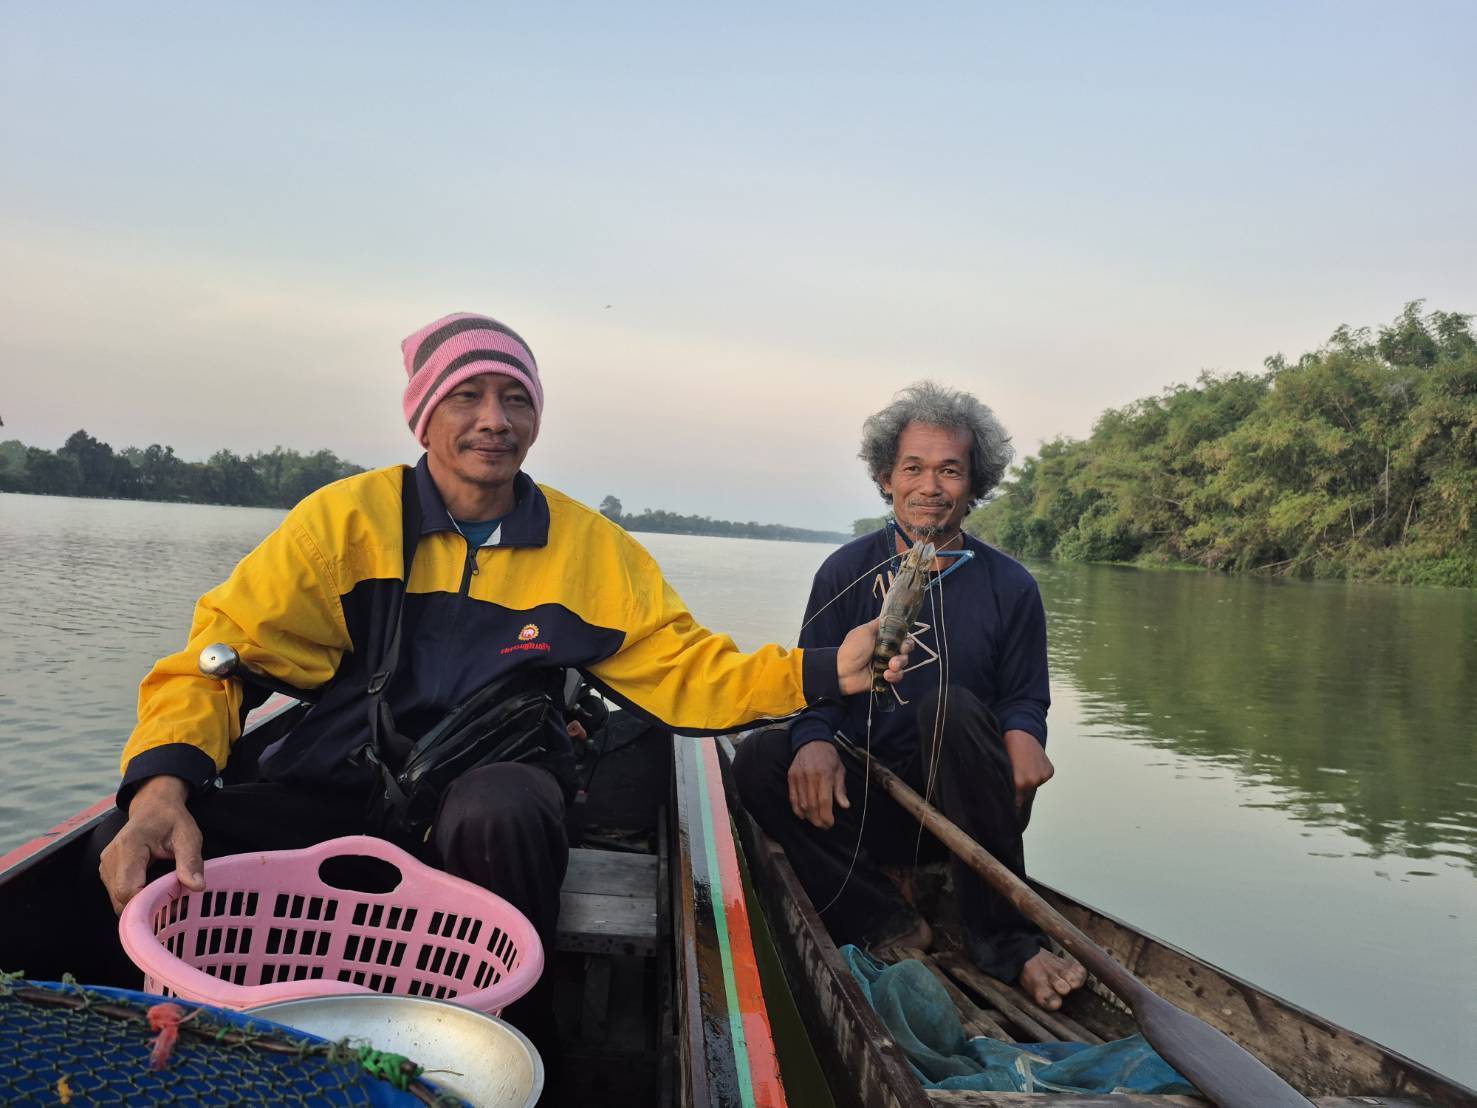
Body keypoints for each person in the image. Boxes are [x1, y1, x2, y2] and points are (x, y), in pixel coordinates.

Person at [89, 311, 904, 1083]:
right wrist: (159, 793)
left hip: (492, 782)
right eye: (466, 396)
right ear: (423, 418)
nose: (494, 420)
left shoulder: (589, 550)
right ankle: (141, 1046)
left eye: (515, 398)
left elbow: (688, 671)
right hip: (344, 779)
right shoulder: (343, 524)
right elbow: (215, 666)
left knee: (500, 810)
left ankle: (518, 1042)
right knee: (133, 845)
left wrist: (822, 670)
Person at [731, 380, 1087, 1011]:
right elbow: (813, 682)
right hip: (859, 803)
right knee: (760, 756)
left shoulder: (1012, 586)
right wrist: (813, 740)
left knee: (948, 707)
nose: (930, 486)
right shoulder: (845, 571)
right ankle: (884, 918)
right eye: (913, 468)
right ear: (885, 479)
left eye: (950, 470)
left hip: (965, 815)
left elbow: (1025, 697)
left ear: (974, 485)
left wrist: (1025, 736)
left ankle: (1006, 940)